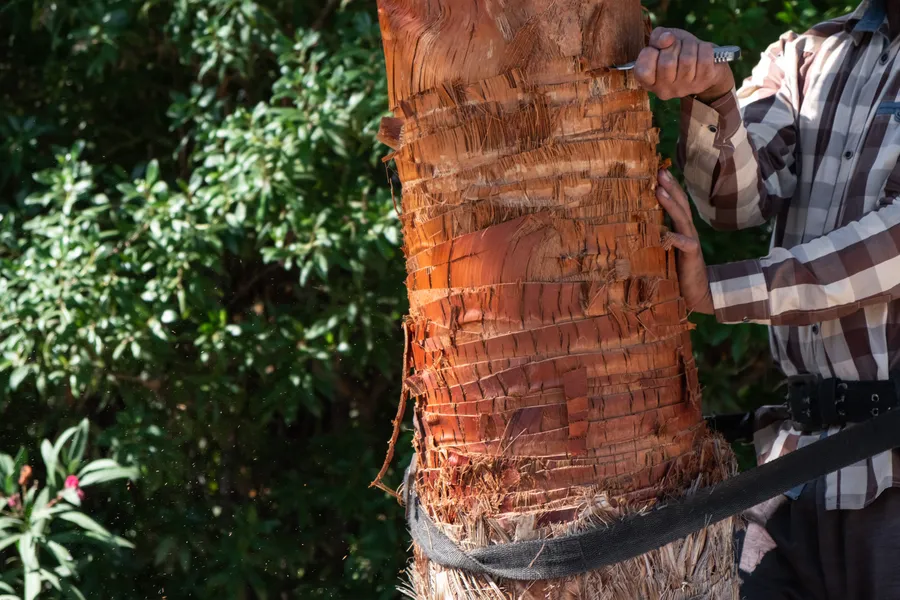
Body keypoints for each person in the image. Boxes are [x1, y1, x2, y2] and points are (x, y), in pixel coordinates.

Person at [634, 1, 900, 598]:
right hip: (795, 472)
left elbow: (889, 251)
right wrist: (712, 93)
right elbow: (732, 204)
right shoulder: (807, 55)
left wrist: (716, 289)